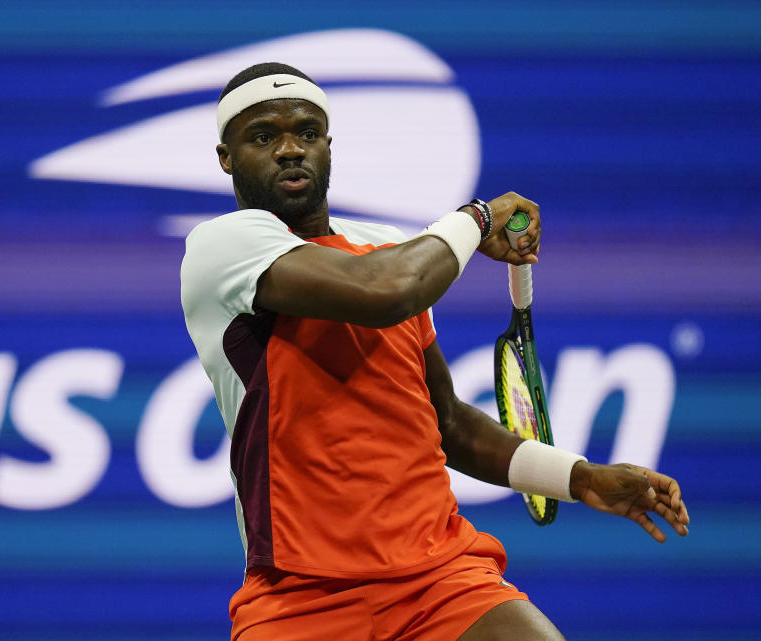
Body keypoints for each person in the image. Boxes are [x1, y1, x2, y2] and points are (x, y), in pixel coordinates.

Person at [180, 62, 689, 641]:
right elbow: (386, 291)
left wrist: (581, 478)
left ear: (328, 145)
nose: (290, 149)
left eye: (306, 132)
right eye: (264, 137)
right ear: (226, 157)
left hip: (439, 577)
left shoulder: (388, 248)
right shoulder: (221, 247)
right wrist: (477, 218)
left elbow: (445, 421)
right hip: (301, 597)